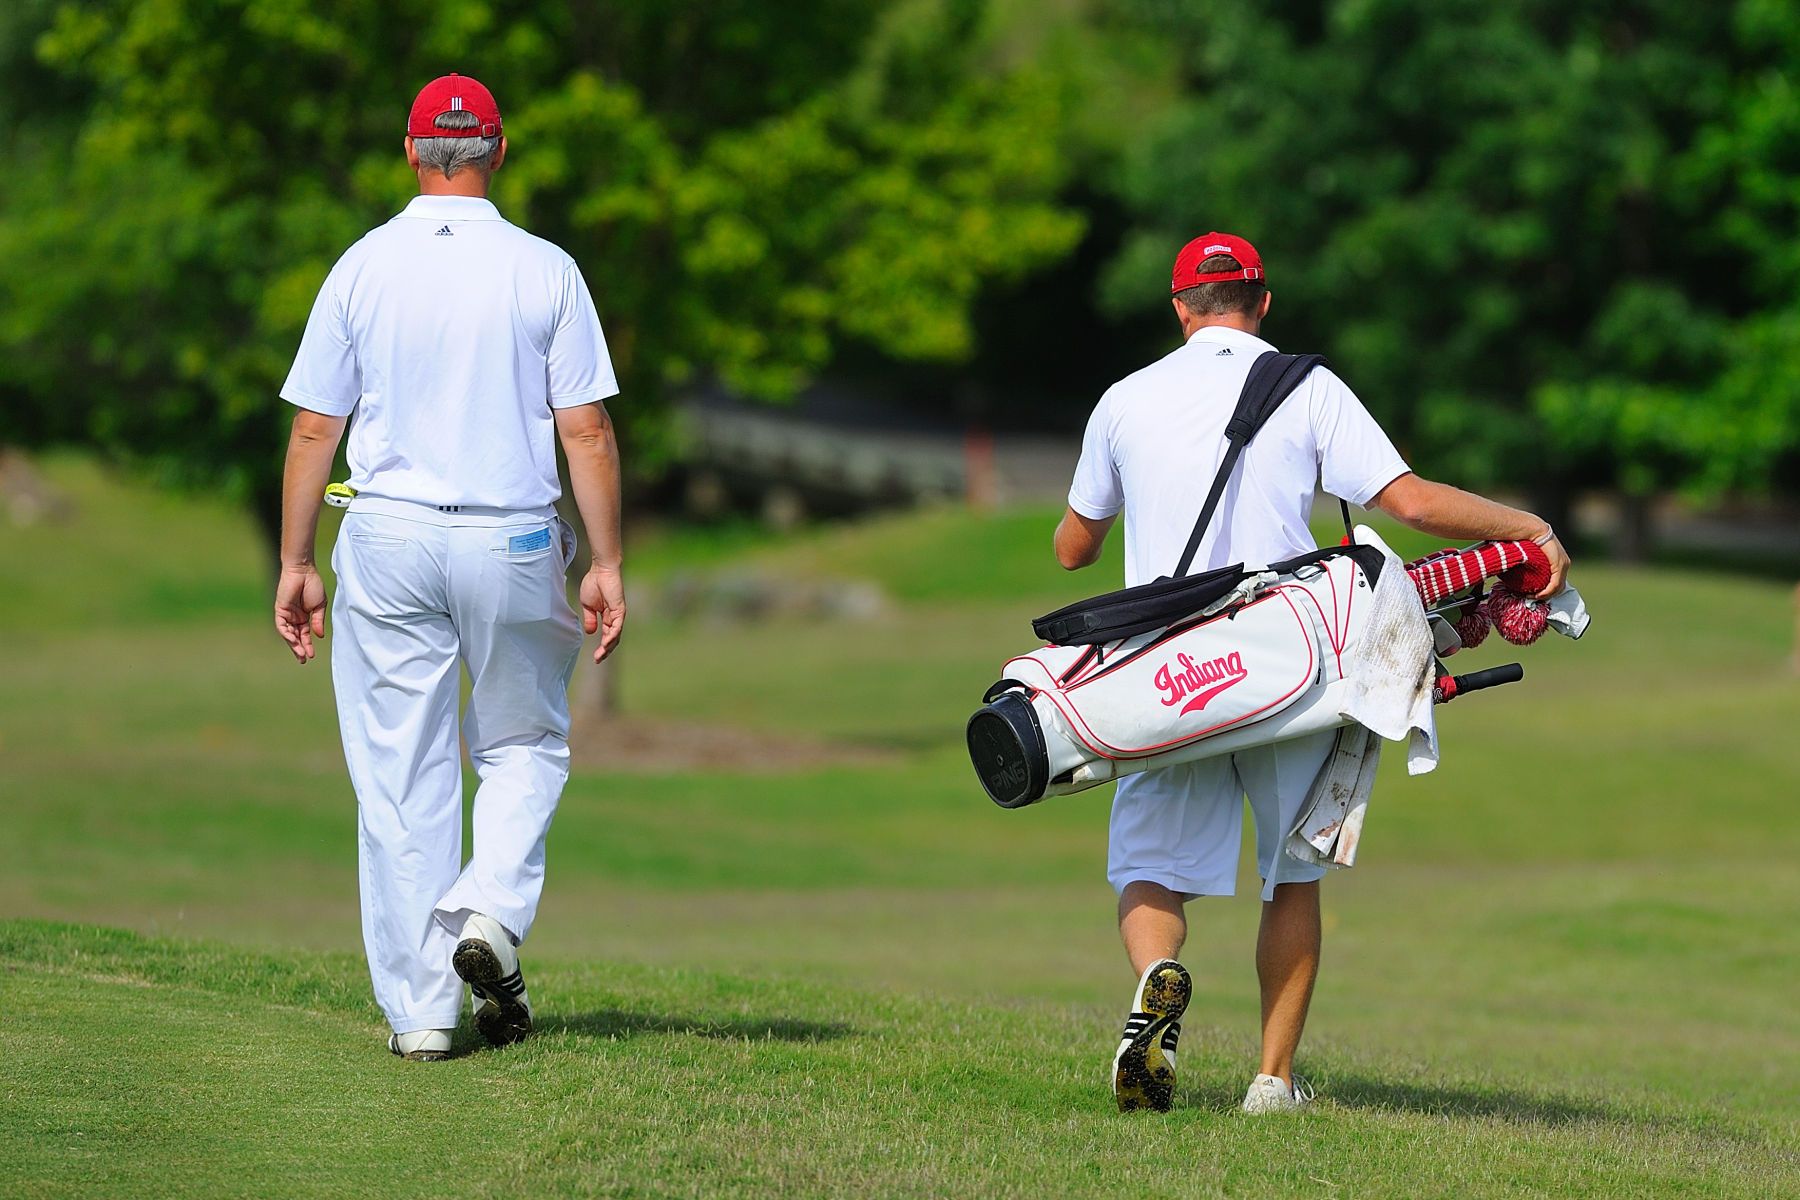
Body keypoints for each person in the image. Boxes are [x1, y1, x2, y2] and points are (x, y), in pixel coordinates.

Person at [1055, 232, 1570, 1113]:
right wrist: (1527, 526)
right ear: (1263, 302)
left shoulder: (1123, 399)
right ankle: (1272, 1081)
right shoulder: (1308, 387)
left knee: (1150, 867)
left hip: (1168, 672)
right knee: (1291, 874)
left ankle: (1157, 980)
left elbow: (1074, 550)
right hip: (1289, 663)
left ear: (1179, 308)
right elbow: (1409, 502)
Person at [273, 73, 626, 1062]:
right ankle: (490, 912)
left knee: (401, 772)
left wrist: (296, 560)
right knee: (523, 740)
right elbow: (587, 431)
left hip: (386, 535)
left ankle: (423, 1016)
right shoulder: (546, 269)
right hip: (512, 537)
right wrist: (606, 560)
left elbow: (313, 430)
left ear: (411, 150)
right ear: (499, 151)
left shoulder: (361, 265)